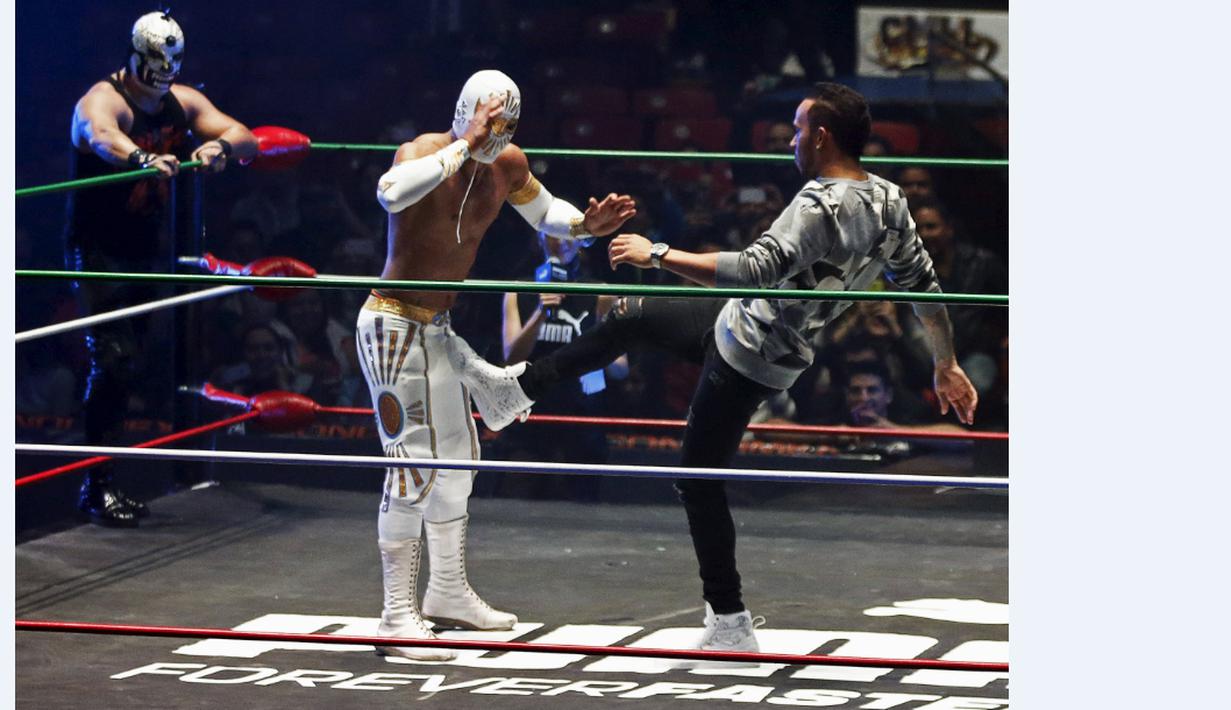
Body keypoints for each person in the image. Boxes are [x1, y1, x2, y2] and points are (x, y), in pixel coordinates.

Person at [449, 82, 978, 656]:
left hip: (748, 352)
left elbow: (752, 270)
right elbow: (924, 286)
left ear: (822, 137)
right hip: (748, 325)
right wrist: (944, 362)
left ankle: (729, 618)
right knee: (629, 316)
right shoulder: (889, 201)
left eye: (799, 130)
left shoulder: (818, 203)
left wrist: (657, 254)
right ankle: (518, 390)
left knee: (696, 481)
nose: (793, 141)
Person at [358, 69, 636, 660]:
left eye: (505, 124)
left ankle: (448, 593)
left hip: (437, 328)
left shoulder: (508, 163)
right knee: (410, 465)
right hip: (391, 323)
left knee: (459, 461)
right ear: (464, 112)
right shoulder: (426, 152)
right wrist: (464, 144)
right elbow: (389, 192)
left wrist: (588, 227)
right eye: (489, 121)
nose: (496, 134)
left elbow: (548, 213)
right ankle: (394, 616)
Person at [65, 10, 256, 527]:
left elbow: (247, 136)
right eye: (156, 63)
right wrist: (140, 159)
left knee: (133, 361)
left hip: (146, 249)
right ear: (135, 56)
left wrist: (218, 145)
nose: (163, 74)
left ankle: (101, 479)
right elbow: (100, 135)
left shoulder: (182, 101)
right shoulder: (105, 98)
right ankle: (95, 486)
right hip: (99, 250)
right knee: (115, 360)